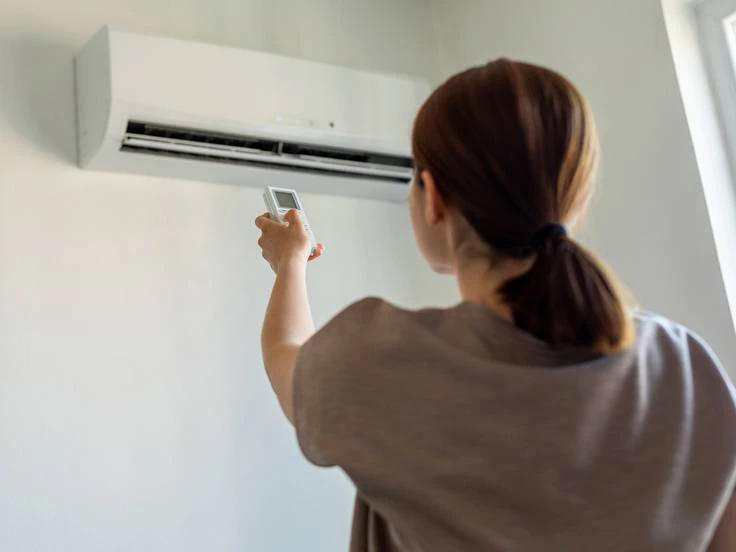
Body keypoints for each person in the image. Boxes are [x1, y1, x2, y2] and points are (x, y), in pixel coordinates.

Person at [254, 59, 736, 551]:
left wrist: (290, 262)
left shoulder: (384, 361)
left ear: (432, 196)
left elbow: (284, 354)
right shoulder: (683, 365)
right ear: (573, 193)